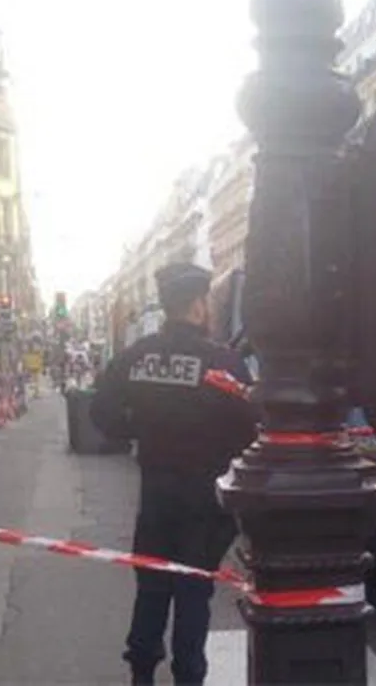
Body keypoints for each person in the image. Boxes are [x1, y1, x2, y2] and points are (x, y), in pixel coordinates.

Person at [90, 262, 260, 685]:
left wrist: (138, 430)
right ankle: (188, 676)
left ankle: (141, 673)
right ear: (200, 304)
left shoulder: (137, 356)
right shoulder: (222, 362)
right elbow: (250, 426)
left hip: (156, 493)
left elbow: (101, 413)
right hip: (204, 500)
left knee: (151, 586)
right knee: (193, 592)